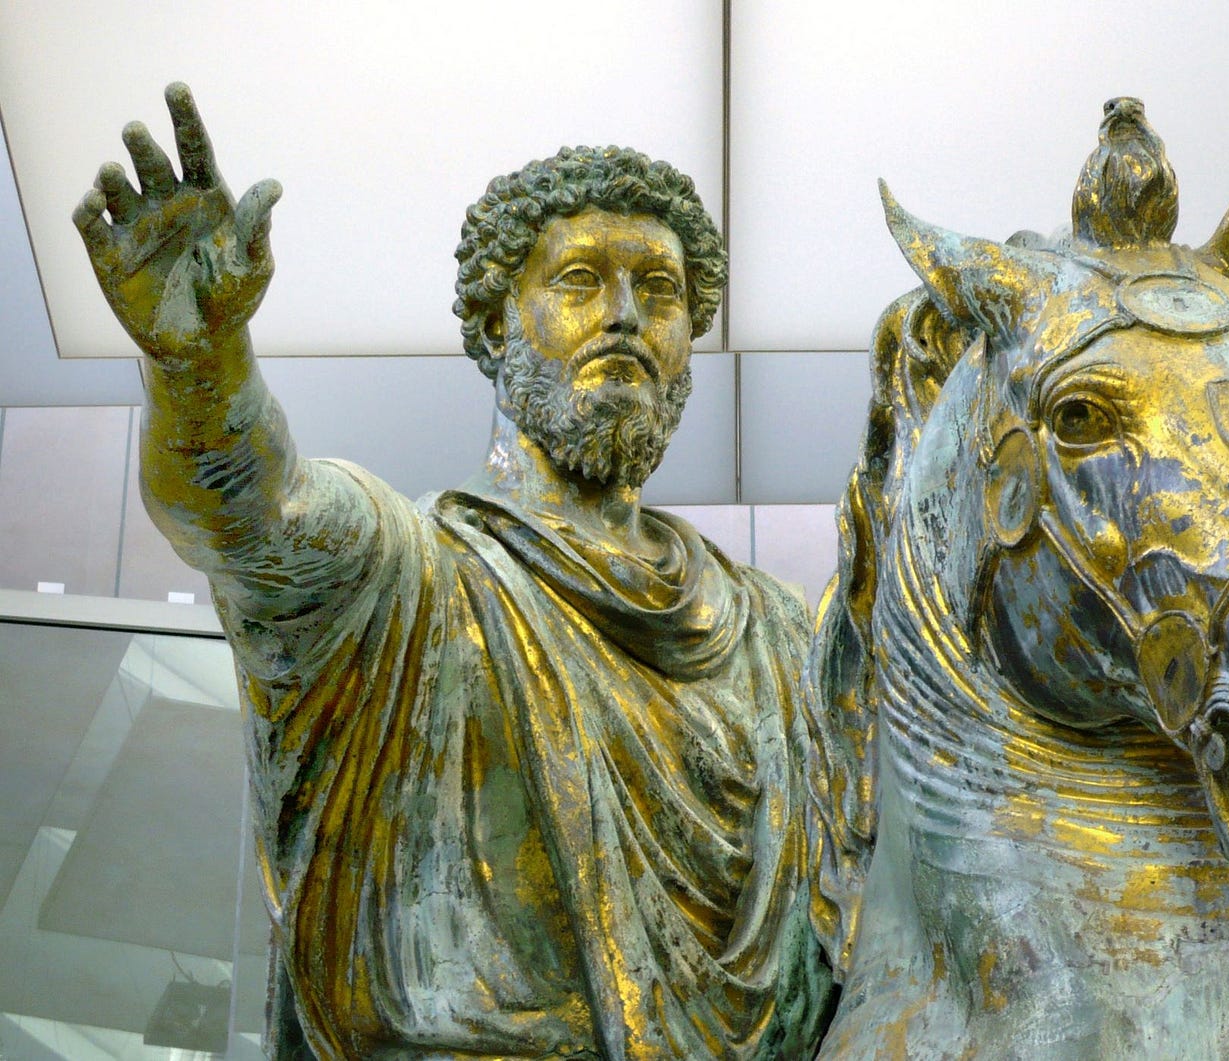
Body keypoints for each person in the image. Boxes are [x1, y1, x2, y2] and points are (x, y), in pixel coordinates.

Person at [75, 83, 832, 1060]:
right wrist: (197, 362)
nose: (625, 316)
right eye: (580, 280)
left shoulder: (772, 627)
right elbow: (252, 515)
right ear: (493, 323)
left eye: (661, 290)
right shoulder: (403, 569)